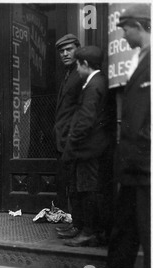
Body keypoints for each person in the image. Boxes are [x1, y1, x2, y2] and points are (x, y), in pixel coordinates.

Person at [100, 4, 151, 268]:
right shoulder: (139, 59)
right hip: (132, 159)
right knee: (126, 221)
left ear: (141, 26)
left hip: (146, 159)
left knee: (148, 223)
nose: (123, 33)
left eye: (126, 27)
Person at [60, 46, 112, 247]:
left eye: (78, 66)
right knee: (87, 188)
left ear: (85, 65)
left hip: (89, 149)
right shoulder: (98, 82)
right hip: (93, 148)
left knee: (88, 189)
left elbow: (85, 120)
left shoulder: (93, 85)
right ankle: (86, 230)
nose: (77, 70)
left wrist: (72, 144)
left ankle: (89, 232)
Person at [53, 34, 85, 239]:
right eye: (61, 51)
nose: (65, 54)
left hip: (74, 141)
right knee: (72, 185)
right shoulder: (68, 74)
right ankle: (77, 223)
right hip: (64, 140)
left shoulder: (80, 74)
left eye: (69, 49)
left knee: (79, 185)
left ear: (78, 50)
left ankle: (81, 226)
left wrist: (71, 136)